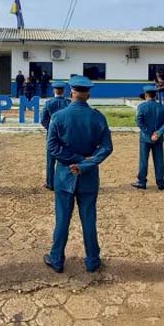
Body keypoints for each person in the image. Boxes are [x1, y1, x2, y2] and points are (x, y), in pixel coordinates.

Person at [44, 75, 113, 274]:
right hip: (88, 177)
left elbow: (52, 148)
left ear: (71, 92)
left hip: (65, 176)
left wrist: (73, 159)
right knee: (89, 219)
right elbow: (107, 147)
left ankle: (57, 258)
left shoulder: (59, 116)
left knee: (63, 219)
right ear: (88, 94)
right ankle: (92, 260)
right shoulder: (98, 117)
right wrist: (85, 163)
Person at [131, 85, 164, 191]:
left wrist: (148, 133)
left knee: (143, 160)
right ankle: (160, 182)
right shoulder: (162, 107)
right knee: (159, 160)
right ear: (155, 95)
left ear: (146, 95)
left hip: (145, 138)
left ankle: (142, 181)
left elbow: (139, 121)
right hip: (158, 138)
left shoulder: (141, 107)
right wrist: (157, 133)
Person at [40, 80, 70, 191]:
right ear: (64, 91)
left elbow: (43, 120)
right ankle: (66, 183)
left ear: (54, 91)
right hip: (66, 135)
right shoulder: (68, 103)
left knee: (50, 161)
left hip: (51, 136)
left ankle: (50, 183)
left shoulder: (49, 103)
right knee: (66, 159)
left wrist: (51, 129)